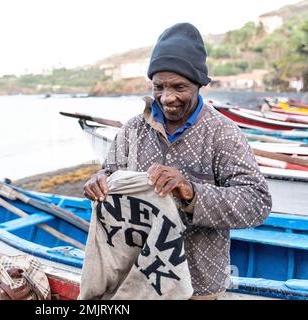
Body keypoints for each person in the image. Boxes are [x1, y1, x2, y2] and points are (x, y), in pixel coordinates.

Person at [83, 22, 272, 299]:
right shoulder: (133, 129)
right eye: (159, 86)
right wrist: (98, 182)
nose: (167, 97)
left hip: (199, 288)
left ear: (199, 84)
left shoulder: (223, 133)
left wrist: (191, 192)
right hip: (138, 283)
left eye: (179, 87)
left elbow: (257, 203)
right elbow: (109, 175)